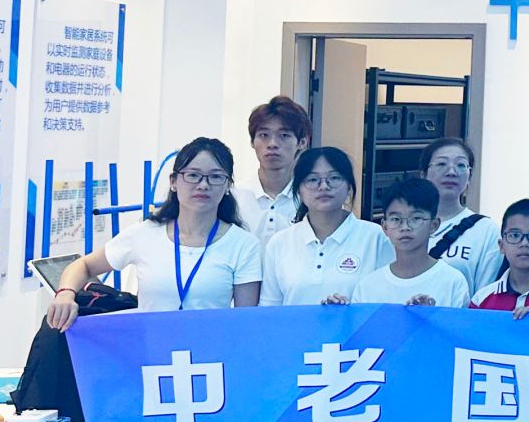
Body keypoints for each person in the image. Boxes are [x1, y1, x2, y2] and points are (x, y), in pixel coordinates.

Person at [46, 137, 262, 330]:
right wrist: (65, 293)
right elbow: (83, 265)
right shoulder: (145, 234)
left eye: (215, 177)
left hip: (211, 355)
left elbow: (243, 323)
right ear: (174, 182)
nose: (203, 185)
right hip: (149, 353)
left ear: (228, 185)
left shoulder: (243, 245)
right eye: (193, 175)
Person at [260, 146, 391, 307]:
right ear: (298, 190)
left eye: (334, 178)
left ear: (349, 187)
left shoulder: (375, 237)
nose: (323, 186)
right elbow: (269, 308)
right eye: (312, 179)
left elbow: (387, 299)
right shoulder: (280, 242)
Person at [348, 178, 473, 307]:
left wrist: (431, 314)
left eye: (416, 218)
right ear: (385, 227)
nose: (405, 227)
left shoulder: (452, 282)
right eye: (396, 219)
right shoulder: (367, 287)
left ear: (434, 225)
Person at [421, 137, 503, 293]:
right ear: (423, 175)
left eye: (460, 165)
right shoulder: (407, 225)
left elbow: (484, 295)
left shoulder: (486, 230)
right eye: (441, 164)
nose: (451, 172)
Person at [234, 96, 312, 249]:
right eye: (264, 135)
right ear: (252, 142)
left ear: (302, 142)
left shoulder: (312, 198)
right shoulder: (235, 196)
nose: (272, 144)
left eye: (284, 135)